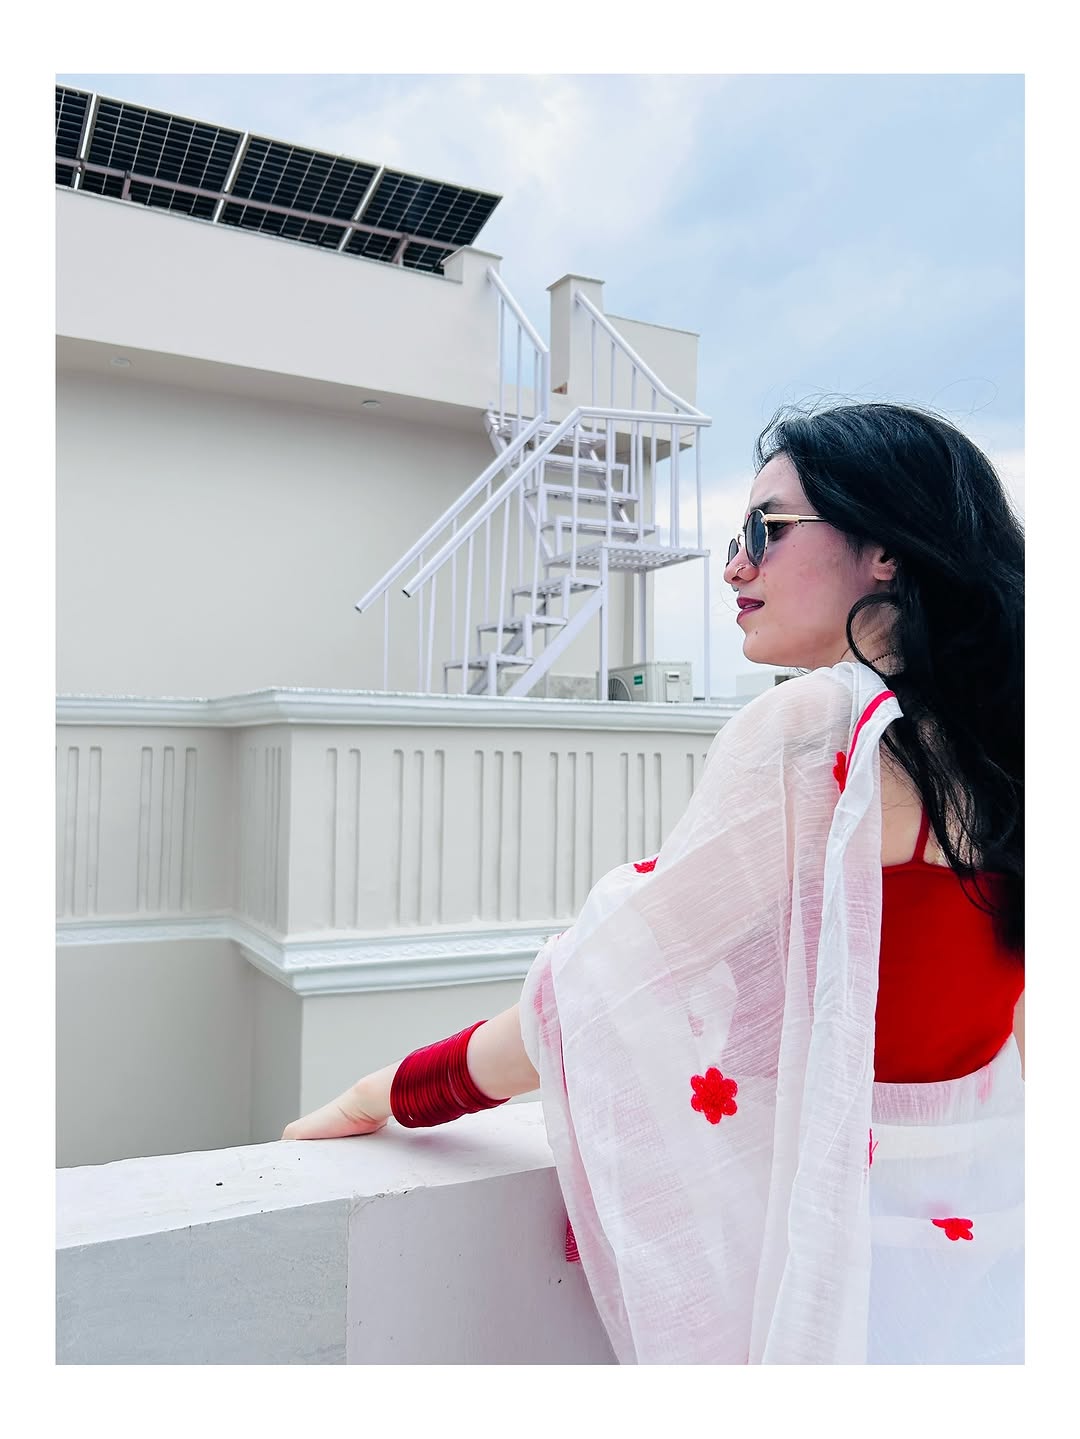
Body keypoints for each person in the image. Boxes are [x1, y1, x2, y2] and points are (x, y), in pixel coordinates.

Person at [283, 401, 1024, 1365]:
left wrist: (389, 1091)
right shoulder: (1005, 742)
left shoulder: (819, 728)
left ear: (883, 551)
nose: (735, 565)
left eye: (765, 528)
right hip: (982, 1257)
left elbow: (602, 995)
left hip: (836, 1276)